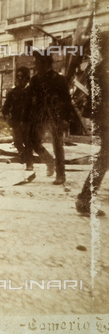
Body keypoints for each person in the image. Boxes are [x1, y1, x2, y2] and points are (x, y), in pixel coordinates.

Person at [27, 49, 74, 185]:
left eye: (38, 63)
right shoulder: (35, 80)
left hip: (56, 116)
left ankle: (61, 175)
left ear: (46, 64)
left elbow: (66, 101)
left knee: (57, 145)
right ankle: (49, 161)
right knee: (34, 142)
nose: (35, 66)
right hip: (39, 116)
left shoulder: (59, 79)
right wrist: (27, 117)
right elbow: (29, 100)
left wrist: (66, 119)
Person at [76, 30, 109, 216]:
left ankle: (84, 198)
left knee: (105, 158)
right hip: (107, 118)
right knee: (105, 158)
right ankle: (84, 199)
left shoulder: (98, 67)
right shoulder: (105, 68)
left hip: (103, 118)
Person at [2, 67, 31, 160]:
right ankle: (24, 155)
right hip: (16, 121)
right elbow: (6, 107)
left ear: (27, 78)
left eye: (21, 77)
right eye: (18, 77)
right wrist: (7, 116)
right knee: (17, 142)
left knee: (28, 141)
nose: (19, 79)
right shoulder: (13, 92)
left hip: (28, 121)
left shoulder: (31, 91)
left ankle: (27, 161)